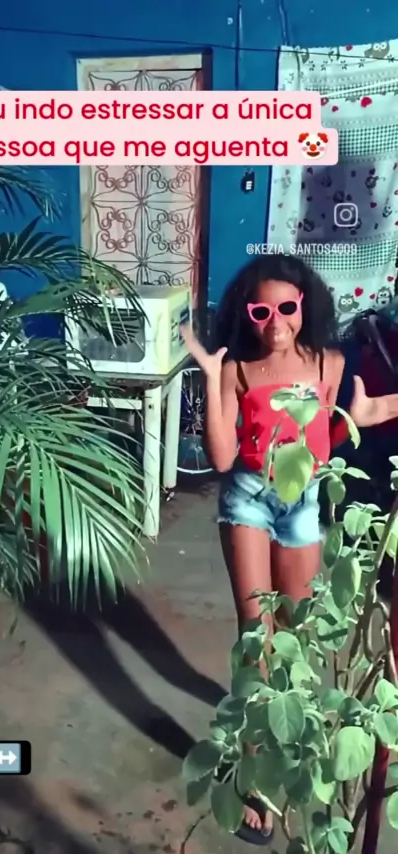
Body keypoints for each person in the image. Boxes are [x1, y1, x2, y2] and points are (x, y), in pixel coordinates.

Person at [181, 253, 398, 846]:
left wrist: (361, 417)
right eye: (261, 311)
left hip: (302, 503)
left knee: (296, 634)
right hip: (249, 500)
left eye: (286, 307)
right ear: (245, 313)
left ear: (305, 306)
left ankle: (289, 745)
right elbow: (222, 458)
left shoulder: (329, 363)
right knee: (257, 633)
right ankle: (252, 772)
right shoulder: (237, 368)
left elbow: (327, 437)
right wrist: (212, 378)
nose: (274, 321)